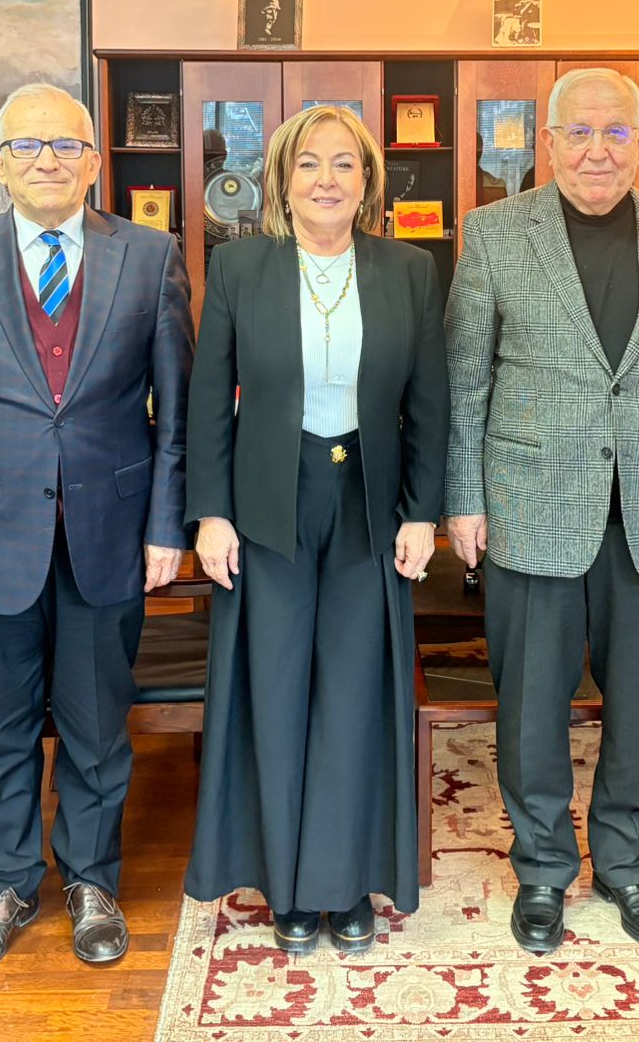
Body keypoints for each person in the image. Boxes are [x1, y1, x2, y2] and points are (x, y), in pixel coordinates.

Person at [0, 83, 193, 975]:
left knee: (98, 723)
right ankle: (7, 884)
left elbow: (175, 411)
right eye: (26, 147)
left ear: (95, 161)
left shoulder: (150, 256)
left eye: (66, 145)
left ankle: (92, 881)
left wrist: (166, 524)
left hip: (111, 531)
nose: (47, 162)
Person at [444, 67, 639, 957]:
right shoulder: (494, 232)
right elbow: (466, 377)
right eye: (578, 132)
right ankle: (542, 867)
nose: (596, 150)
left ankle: (627, 866)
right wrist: (464, 498)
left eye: (616, 132)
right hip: (530, 502)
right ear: (546, 142)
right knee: (531, 703)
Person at [184, 104, 448, 954]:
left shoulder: (409, 269)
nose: (326, 180)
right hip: (267, 502)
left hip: (370, 504)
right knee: (273, 692)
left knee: (356, 694)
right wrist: (211, 512)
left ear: (367, 181)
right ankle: (288, 889)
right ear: (282, 180)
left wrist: (422, 512)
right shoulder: (240, 267)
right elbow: (207, 398)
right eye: (308, 164)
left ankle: (345, 884)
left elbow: (429, 403)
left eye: (343, 164)